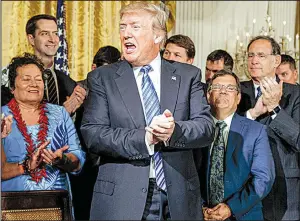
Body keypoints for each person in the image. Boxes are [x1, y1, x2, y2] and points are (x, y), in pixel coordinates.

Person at [81, 2, 214, 220]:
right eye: (123, 27)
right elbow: (93, 134)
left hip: (179, 198)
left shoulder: (187, 75)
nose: (126, 34)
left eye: (135, 27)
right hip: (123, 200)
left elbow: (206, 128)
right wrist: (146, 137)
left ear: (158, 36)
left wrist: (174, 131)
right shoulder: (102, 78)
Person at [1, 53, 85, 204]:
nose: (34, 84)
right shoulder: (2, 118)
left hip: (56, 205)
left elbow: (78, 161)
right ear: (12, 87)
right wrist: (26, 166)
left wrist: (62, 160)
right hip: (12, 207)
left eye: (38, 79)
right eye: (26, 79)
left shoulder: (60, 114)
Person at [195, 70, 275, 220]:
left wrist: (231, 207)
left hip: (242, 214)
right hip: (200, 214)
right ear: (208, 95)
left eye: (230, 88)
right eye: (217, 87)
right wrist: (199, 206)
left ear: (238, 97)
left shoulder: (256, 131)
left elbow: (264, 178)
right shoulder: (195, 129)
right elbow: (185, 173)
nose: (223, 91)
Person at [237, 36, 300, 221]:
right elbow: (225, 132)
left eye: (261, 55)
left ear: (276, 60)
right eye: (250, 55)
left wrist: (275, 109)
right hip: (242, 185)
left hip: (284, 187)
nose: (254, 60)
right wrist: (251, 114)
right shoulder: (235, 90)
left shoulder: (295, 93)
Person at [71, 45, 121, 221]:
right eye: (105, 71)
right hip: (84, 165)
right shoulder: (78, 90)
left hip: (112, 163)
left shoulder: (123, 91)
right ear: (94, 68)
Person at [1, 14, 86, 115]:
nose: (52, 39)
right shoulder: (9, 75)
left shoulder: (68, 83)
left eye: (55, 33)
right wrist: (63, 112)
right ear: (31, 39)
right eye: (45, 33)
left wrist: (73, 113)